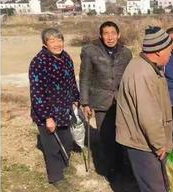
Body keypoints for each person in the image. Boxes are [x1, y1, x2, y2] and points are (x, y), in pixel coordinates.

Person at [116, 26, 173, 192]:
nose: (170, 54)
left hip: (144, 139)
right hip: (143, 143)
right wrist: (159, 144)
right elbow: (148, 115)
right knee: (155, 187)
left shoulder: (145, 66)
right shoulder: (142, 73)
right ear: (158, 51)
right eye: (168, 51)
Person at [79, 21, 132, 180]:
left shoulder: (126, 53)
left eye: (113, 33)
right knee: (107, 136)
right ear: (101, 36)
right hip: (102, 101)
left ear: (119, 35)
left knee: (124, 135)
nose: (110, 37)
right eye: (106, 33)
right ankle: (110, 168)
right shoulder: (90, 51)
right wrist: (85, 102)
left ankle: (124, 165)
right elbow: (85, 78)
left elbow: (130, 78)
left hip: (122, 101)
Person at [28, 29, 80, 189]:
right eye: (52, 41)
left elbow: (72, 80)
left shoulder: (65, 57)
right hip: (47, 113)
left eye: (59, 40)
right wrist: (47, 117)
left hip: (65, 110)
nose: (57, 44)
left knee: (66, 141)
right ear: (45, 43)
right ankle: (56, 177)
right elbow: (37, 92)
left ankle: (64, 166)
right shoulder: (39, 62)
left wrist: (76, 98)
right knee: (52, 147)